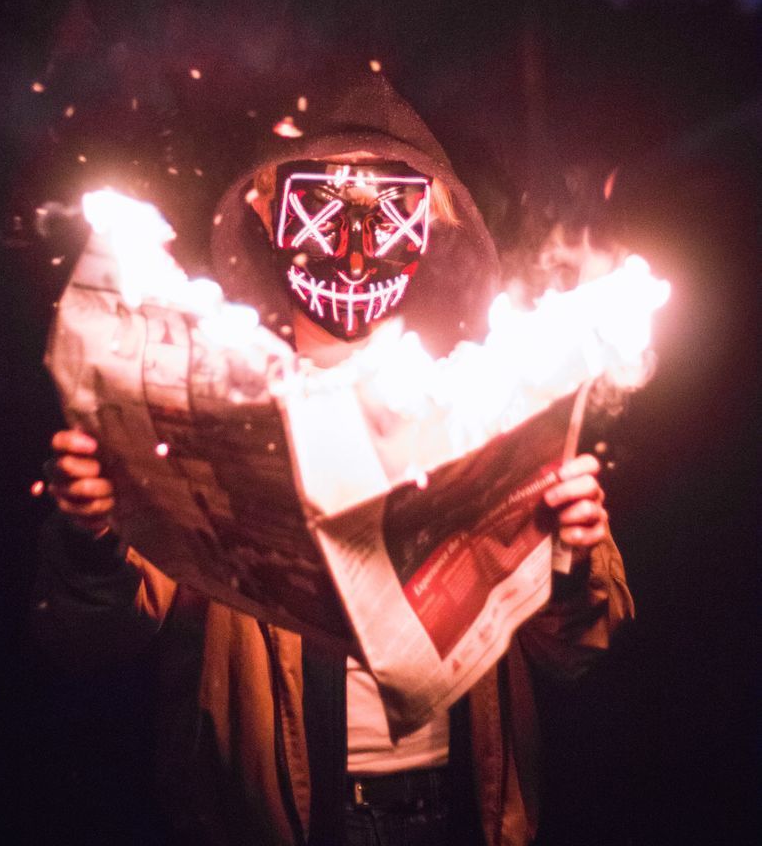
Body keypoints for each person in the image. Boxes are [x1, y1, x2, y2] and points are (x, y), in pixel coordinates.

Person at [36, 72, 633, 846]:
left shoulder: (485, 404)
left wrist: (572, 554)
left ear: (431, 223)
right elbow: (90, 639)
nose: (353, 255)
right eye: (321, 208)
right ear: (267, 209)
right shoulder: (211, 417)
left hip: (461, 816)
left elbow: (582, 647)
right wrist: (91, 540)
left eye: (387, 214)